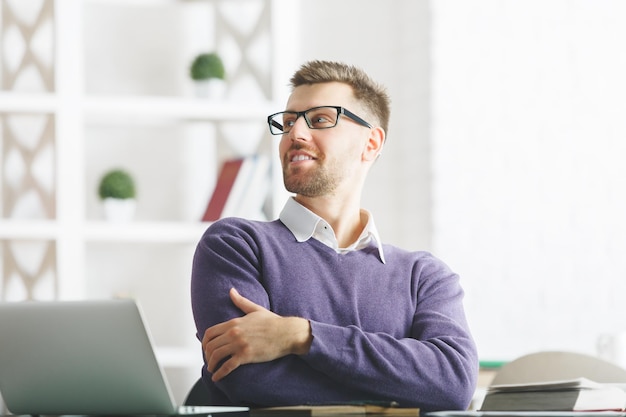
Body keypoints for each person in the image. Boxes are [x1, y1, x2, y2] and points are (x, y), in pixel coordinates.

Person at [191, 60, 478, 411]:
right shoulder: (236, 245)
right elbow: (249, 381)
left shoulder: (424, 277)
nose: (295, 134)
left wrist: (301, 336)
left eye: (321, 119)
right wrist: (403, 390)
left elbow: (453, 384)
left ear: (371, 143)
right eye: (288, 122)